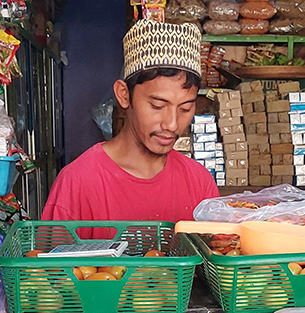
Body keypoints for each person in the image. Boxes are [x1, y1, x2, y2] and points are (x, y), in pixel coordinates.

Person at [42, 20, 219, 236]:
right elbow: (50, 268)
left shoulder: (199, 183)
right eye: (157, 106)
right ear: (124, 95)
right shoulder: (77, 182)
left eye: (185, 108)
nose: (172, 124)